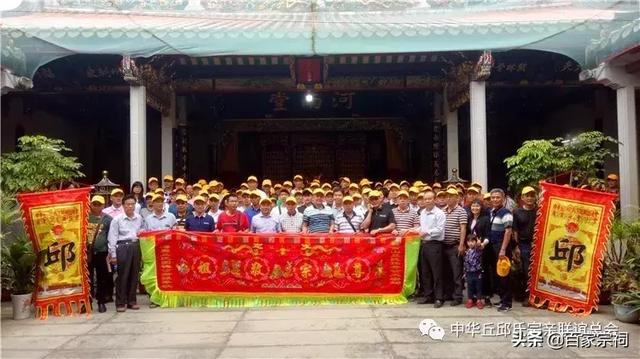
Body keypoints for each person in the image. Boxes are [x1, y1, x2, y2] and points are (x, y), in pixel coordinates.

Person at [107, 194, 144, 312]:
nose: (130, 206)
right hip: (122, 246)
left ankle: (132, 301)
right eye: (128, 204)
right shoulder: (117, 219)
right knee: (123, 276)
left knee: (134, 275)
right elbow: (112, 237)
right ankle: (120, 302)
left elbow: (142, 232)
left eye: (132, 204)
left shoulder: (139, 218)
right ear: (123, 206)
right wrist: (113, 254)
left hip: (136, 246)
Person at [417, 190, 446, 308]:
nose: (428, 201)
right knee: (425, 272)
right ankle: (428, 295)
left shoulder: (439, 213)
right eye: (426, 199)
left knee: (437, 272)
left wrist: (426, 232)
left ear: (434, 199)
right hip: (424, 244)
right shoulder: (422, 212)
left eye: (430, 198)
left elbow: (440, 230)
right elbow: (422, 227)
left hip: (435, 244)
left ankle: (439, 297)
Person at [488, 188, 514, 312]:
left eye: (497, 197)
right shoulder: (493, 211)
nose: (495, 199)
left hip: (502, 246)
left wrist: (503, 249)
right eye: (493, 197)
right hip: (493, 246)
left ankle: (507, 303)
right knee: (498, 274)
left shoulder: (506, 212)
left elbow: (508, 232)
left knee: (504, 275)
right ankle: (502, 299)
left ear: (503, 199)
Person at [442, 187, 468, 306]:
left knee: (456, 272)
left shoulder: (461, 211)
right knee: (446, 271)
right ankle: (448, 294)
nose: (449, 198)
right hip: (443, 245)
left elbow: (463, 228)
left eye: (451, 196)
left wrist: (462, 245)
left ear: (457, 198)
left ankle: (457, 296)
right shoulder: (442, 210)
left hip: (455, 245)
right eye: (447, 196)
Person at [87, 195, 113, 313]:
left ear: (103, 206)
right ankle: (87, 302)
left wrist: (111, 252)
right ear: (91, 204)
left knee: (102, 278)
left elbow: (111, 236)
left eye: (99, 204)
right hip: (87, 253)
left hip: (102, 252)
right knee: (88, 278)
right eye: (94, 204)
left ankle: (101, 301)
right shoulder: (85, 217)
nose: (96, 206)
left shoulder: (108, 219)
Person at [512, 186, 537, 307]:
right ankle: (527, 296)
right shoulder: (517, 212)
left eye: (532, 195)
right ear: (522, 197)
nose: (530, 198)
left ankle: (538, 296)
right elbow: (515, 231)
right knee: (527, 270)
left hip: (538, 245)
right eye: (527, 196)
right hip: (524, 244)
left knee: (538, 271)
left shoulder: (540, 211)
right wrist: (516, 247)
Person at [467, 199, 493, 307]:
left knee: (483, 273)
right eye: (473, 206)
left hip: (482, 250)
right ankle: (472, 297)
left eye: (477, 206)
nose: (475, 208)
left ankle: (484, 296)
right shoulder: (469, 218)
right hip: (471, 250)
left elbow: (488, 235)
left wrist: (483, 244)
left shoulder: (486, 219)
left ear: (481, 207)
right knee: (471, 274)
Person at [464, 234, 488, 309]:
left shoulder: (477, 249)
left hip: (477, 272)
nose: (470, 243)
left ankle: (479, 300)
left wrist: (479, 243)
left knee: (478, 287)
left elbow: (482, 245)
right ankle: (470, 300)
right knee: (470, 286)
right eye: (468, 241)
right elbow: (465, 262)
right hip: (469, 272)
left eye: (472, 241)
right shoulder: (466, 251)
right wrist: (464, 272)